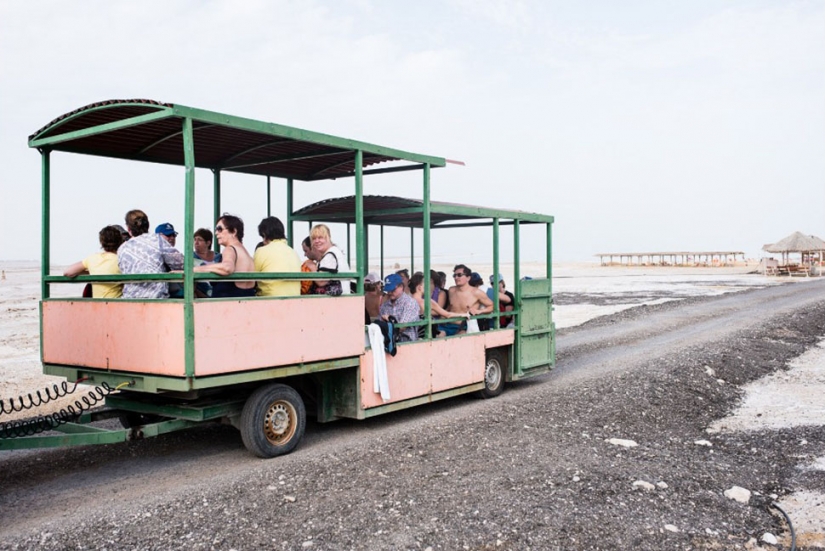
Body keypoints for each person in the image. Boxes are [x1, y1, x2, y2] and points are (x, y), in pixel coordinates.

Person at [118, 209, 184, 299]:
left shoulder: (122, 249)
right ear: (148, 225)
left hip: (130, 299)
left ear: (129, 229)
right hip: (156, 299)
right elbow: (181, 263)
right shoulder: (157, 240)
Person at [194, 214, 256, 298]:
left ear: (234, 231)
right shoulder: (247, 255)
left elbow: (227, 267)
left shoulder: (230, 249)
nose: (216, 233)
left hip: (226, 306)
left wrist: (193, 270)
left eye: (220, 229)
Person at [64, 225, 124, 299]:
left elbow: (67, 272)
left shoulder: (92, 258)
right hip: (117, 304)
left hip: (97, 305)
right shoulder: (122, 260)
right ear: (120, 241)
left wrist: (92, 271)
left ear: (101, 242)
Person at [254, 216, 301, 296]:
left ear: (265, 234)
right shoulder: (293, 252)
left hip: (269, 302)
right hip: (294, 301)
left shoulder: (261, 251)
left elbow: (251, 278)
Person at [441, 264, 493, 336]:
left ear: (468, 278)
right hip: (447, 324)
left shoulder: (476, 292)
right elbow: (451, 306)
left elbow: (492, 306)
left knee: (458, 339)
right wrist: (443, 315)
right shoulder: (451, 290)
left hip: (464, 326)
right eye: (454, 275)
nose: (456, 277)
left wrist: (479, 311)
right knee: (435, 337)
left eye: (459, 275)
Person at [409, 272, 461, 338]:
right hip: (424, 335)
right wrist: (464, 314)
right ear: (419, 287)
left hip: (411, 335)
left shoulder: (407, 301)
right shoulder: (427, 302)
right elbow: (447, 314)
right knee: (443, 333)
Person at [310, 224, 351, 295]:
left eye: (320, 237)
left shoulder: (330, 255)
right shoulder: (335, 251)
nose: (317, 241)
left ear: (328, 237)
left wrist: (312, 267)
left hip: (337, 301)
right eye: (314, 238)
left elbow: (321, 281)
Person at [378, 273, 420, 342]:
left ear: (401, 287)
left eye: (393, 290)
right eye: (388, 290)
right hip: (389, 343)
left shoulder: (410, 303)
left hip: (407, 343)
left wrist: (389, 319)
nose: (390, 292)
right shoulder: (385, 306)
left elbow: (401, 327)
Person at [155, 223, 182, 297]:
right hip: (160, 296)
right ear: (158, 236)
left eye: (174, 235)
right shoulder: (153, 255)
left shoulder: (177, 255)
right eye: (168, 235)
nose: (172, 238)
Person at [193, 228, 221, 297]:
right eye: (195, 239)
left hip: (219, 294)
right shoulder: (190, 258)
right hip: (200, 297)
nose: (196, 242)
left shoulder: (219, 257)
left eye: (199, 240)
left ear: (208, 243)